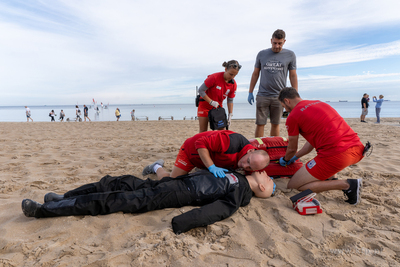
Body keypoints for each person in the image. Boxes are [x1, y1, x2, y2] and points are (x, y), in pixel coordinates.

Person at [21, 169, 275, 234]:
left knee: (116, 200)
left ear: (262, 187)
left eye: (270, 180)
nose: (267, 175)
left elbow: (219, 210)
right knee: (115, 181)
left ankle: (44, 210)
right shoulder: (237, 173)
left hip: (175, 195)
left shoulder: (241, 194)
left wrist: (182, 222)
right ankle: (65, 196)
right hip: (169, 183)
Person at [277, 87, 365, 205]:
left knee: (293, 185)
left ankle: (347, 185)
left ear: (287, 101)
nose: (285, 109)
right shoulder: (319, 103)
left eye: (283, 106)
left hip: (337, 155)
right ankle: (332, 178)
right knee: (326, 150)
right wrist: (295, 157)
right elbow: (309, 146)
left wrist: (285, 159)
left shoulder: (293, 116)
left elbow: (292, 148)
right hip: (358, 149)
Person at [143, 130, 270, 179]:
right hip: (191, 151)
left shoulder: (251, 161)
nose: (244, 166)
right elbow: (200, 143)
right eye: (247, 161)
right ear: (250, 151)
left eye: (249, 167)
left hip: (210, 160)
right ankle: (156, 167)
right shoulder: (230, 142)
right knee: (170, 180)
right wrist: (211, 167)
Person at [248, 29, 298, 137]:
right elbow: (255, 74)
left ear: (284, 41)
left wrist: (295, 95)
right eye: (275, 43)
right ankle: (258, 147)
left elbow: (293, 75)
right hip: (263, 95)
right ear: (271, 40)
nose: (277, 46)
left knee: (276, 124)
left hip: (279, 96)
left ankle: (273, 147)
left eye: (279, 43)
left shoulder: (290, 55)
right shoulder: (262, 54)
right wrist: (250, 92)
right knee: (260, 124)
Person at [197, 60, 241, 132]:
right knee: (203, 131)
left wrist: (230, 114)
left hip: (217, 108)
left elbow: (230, 100)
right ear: (226, 69)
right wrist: (211, 102)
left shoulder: (233, 84)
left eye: (235, 75)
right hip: (204, 106)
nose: (232, 77)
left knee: (222, 130)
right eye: (230, 74)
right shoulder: (214, 77)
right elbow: (201, 90)